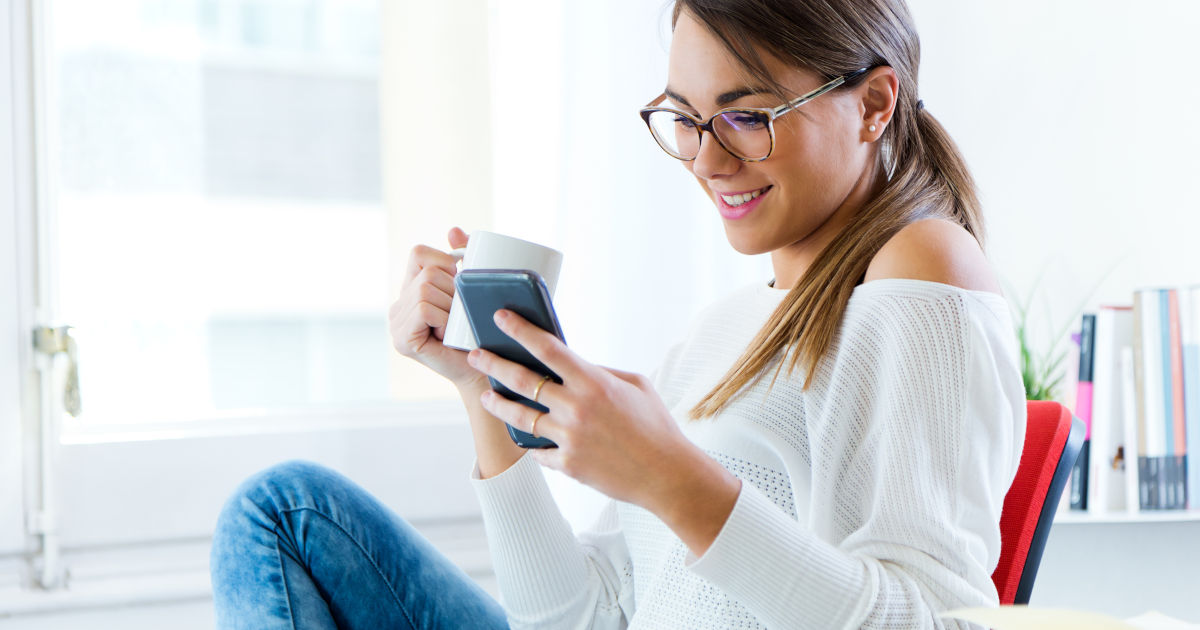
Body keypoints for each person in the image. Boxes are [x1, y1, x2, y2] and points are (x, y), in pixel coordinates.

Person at [209, 0, 1026, 627]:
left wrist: (673, 480)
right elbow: (579, 615)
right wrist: (481, 391)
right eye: (686, 118)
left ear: (875, 103)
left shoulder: (922, 265)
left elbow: (936, 618)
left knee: (285, 508)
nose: (707, 159)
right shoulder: (721, 333)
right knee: (286, 510)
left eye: (746, 116)